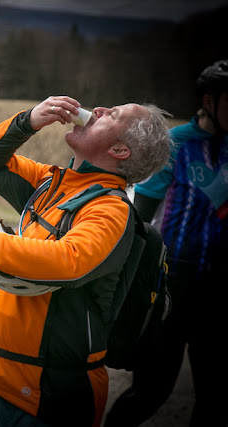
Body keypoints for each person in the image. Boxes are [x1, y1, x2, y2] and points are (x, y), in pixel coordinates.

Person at [0, 96, 173, 426]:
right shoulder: (53, 183)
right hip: (11, 381)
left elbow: (68, 260)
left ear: (120, 151)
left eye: (112, 114)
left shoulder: (111, 210)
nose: (97, 109)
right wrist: (28, 122)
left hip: (50, 393)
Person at [105, 61, 228, 426]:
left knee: (217, 396)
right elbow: (139, 218)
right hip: (172, 283)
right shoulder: (176, 145)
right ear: (209, 99)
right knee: (151, 391)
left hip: (219, 289)